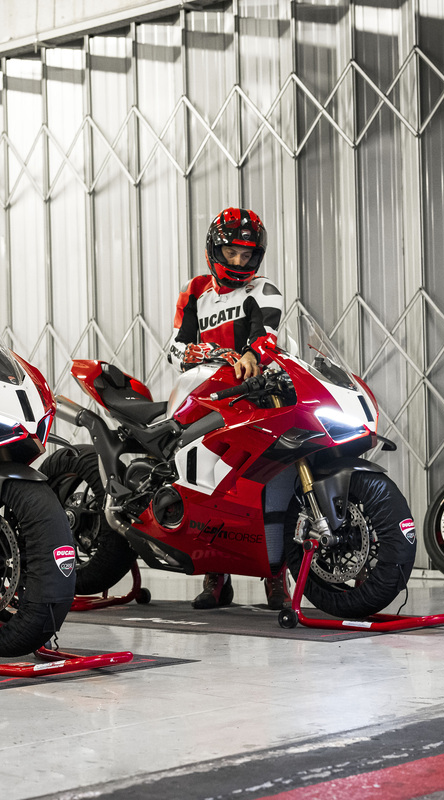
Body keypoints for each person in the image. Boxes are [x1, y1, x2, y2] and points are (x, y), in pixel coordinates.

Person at [167, 207, 291, 610]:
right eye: (233, 253)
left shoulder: (264, 289)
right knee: (208, 485)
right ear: (214, 250)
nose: (240, 262)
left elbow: (265, 338)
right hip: (204, 398)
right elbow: (176, 349)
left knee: (267, 484)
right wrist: (221, 353)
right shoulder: (195, 291)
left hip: (255, 397)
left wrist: (253, 354)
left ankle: (276, 580)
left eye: (247, 255)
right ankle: (215, 580)